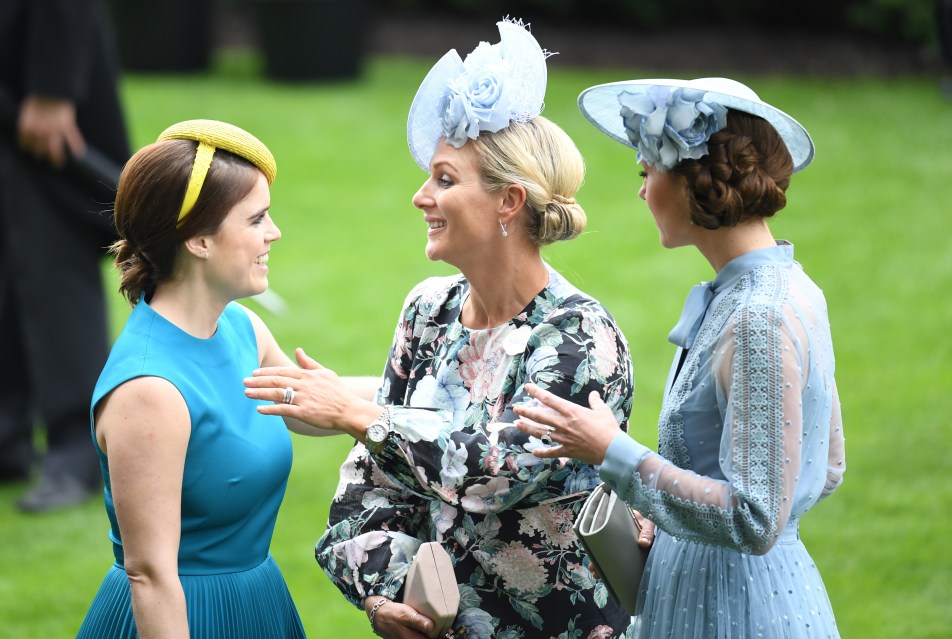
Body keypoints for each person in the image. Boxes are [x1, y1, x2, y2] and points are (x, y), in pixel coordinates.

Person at [243, 20, 636, 639]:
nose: (420, 197)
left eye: (445, 180)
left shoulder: (578, 337)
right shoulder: (428, 310)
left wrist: (359, 413)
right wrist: (385, 594)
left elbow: (494, 472)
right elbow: (366, 489)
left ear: (508, 202)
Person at [514, 77, 847, 638]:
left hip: (734, 608)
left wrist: (611, 451)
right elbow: (826, 465)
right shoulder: (786, 289)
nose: (642, 193)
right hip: (715, 589)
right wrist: (666, 515)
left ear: (695, 179)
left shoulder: (758, 318)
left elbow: (756, 515)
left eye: (647, 173)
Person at [76, 119, 338, 638]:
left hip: (257, 600)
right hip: (182, 615)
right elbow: (149, 575)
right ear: (199, 241)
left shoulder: (241, 327)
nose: (274, 232)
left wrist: (459, 391)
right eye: (257, 219)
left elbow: (316, 403)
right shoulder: (149, 390)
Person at [0, 0, 130, 512]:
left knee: (50, 245)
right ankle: (7, 437)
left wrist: (54, 84)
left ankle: (80, 447)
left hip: (36, 66)